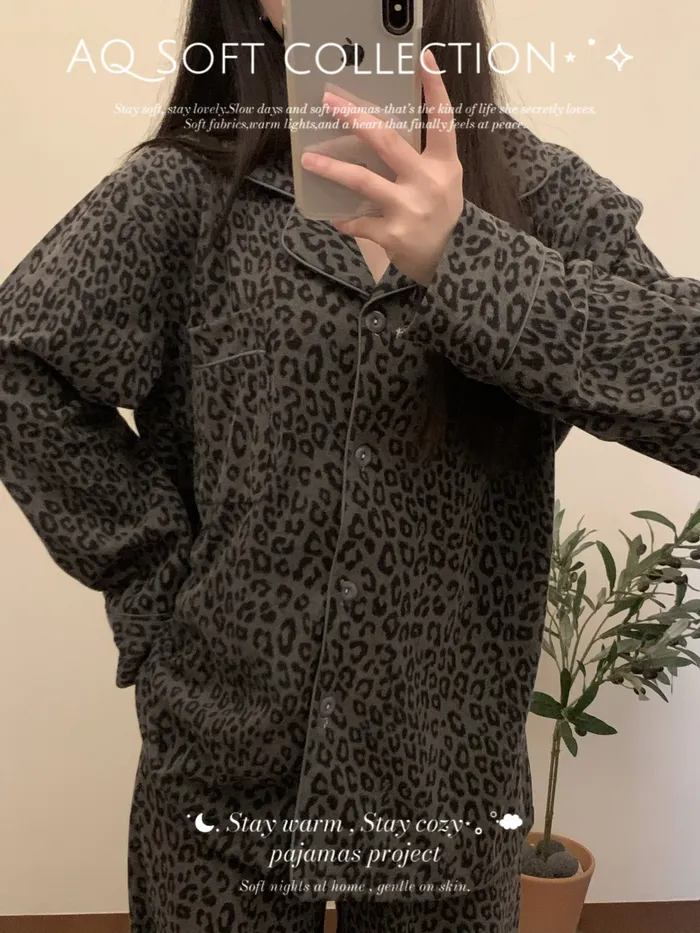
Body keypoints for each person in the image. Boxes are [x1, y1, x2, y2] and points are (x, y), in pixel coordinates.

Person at [1, 1, 699, 931]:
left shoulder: (535, 195)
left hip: (447, 785)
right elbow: (21, 360)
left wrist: (464, 258)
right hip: (223, 776)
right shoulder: (188, 190)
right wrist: (154, 582)